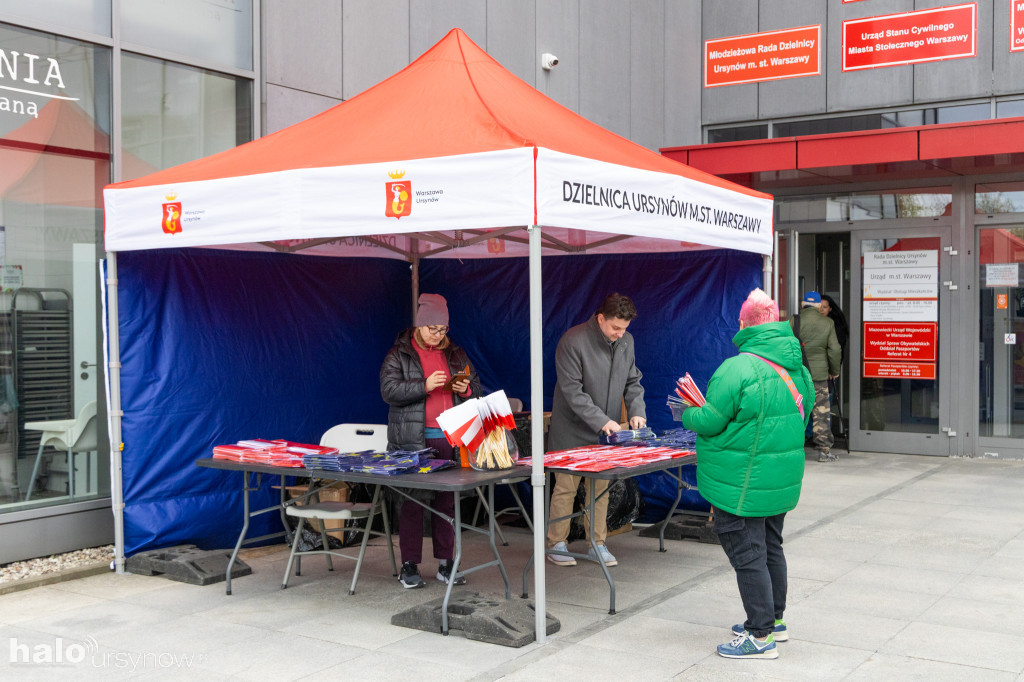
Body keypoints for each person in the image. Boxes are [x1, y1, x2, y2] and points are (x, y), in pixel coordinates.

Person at [679, 288, 813, 660]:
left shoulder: (737, 368)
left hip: (742, 483)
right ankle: (774, 621)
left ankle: (759, 636)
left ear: (744, 324)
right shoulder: (796, 367)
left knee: (748, 555)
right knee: (771, 547)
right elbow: (805, 412)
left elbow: (709, 419)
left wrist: (688, 413)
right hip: (780, 478)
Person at [379, 293, 481, 589]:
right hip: (412, 442)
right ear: (419, 325)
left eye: (443, 330)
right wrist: (423, 385)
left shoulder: (456, 354)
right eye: (432, 329)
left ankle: (446, 563)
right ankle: (409, 565)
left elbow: (476, 387)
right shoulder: (399, 354)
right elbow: (389, 390)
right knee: (412, 502)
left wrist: (464, 389)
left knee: (447, 502)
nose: (438, 336)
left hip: (450, 439)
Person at [546, 293, 646, 568]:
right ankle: (557, 542)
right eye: (615, 328)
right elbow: (572, 392)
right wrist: (602, 420)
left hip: (605, 434)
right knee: (566, 487)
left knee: (599, 489)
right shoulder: (573, 341)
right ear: (600, 318)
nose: (620, 334)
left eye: (624, 329)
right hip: (572, 431)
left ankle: (597, 543)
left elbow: (633, 381)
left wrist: (637, 411)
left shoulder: (626, 342)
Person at [790, 291, 841, 462]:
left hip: (796, 376)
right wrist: (834, 371)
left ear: (803, 304)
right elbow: (835, 350)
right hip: (818, 376)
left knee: (794, 411)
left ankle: (791, 448)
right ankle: (824, 450)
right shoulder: (827, 323)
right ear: (820, 306)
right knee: (821, 413)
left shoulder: (793, 321)